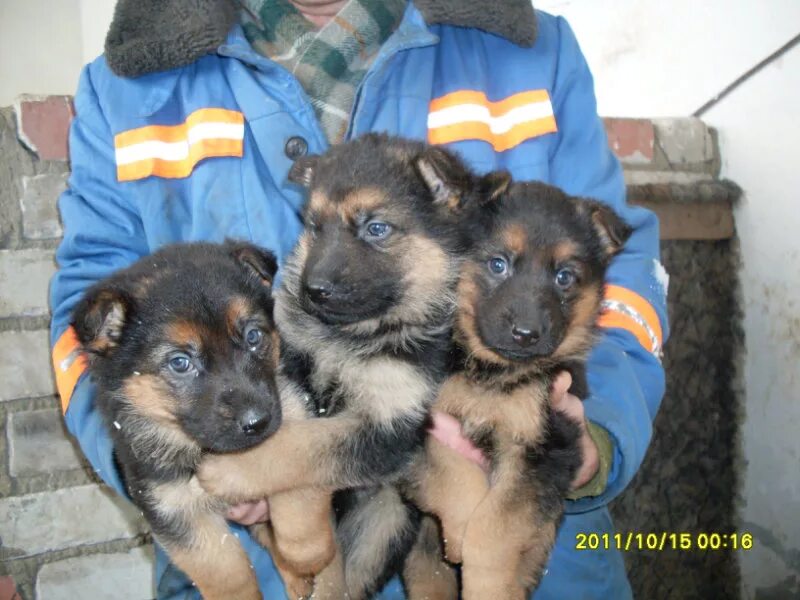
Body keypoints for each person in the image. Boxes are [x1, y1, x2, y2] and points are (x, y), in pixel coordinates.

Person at [49, 0, 668, 598]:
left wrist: (598, 434)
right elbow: (91, 315)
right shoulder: (129, 81)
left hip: (530, 547)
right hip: (266, 571)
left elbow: (619, 268)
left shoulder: (532, 47)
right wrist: (172, 462)